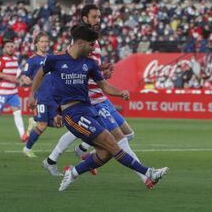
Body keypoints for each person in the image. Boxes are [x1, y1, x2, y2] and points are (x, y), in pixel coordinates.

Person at [29, 25, 168, 191]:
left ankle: (73, 172)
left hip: (89, 110)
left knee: (105, 152)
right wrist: (33, 95)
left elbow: (103, 85)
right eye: (91, 44)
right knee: (112, 143)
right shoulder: (55, 60)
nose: (93, 48)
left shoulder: (90, 63)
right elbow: (40, 74)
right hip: (72, 114)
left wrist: (119, 93)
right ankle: (149, 173)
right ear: (80, 44)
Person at [20, 31, 63, 158]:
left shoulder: (51, 58)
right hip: (42, 98)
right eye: (42, 41)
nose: (45, 44)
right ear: (36, 44)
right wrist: (28, 80)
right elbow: (25, 77)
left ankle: (35, 120)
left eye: (46, 41)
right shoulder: (33, 60)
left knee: (59, 124)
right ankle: (27, 148)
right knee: (42, 125)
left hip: (54, 99)